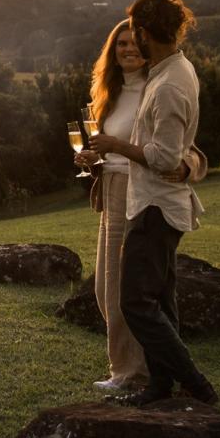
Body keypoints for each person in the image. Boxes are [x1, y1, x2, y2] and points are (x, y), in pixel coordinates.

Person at [89, 0, 216, 406]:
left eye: (134, 33)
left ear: (145, 32)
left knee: (135, 300)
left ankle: (194, 383)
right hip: (133, 197)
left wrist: (117, 147)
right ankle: (161, 385)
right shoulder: (165, 74)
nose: (130, 43)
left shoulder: (166, 85)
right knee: (157, 297)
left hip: (154, 204)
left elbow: (169, 156)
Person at [75, 20, 150, 391]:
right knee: (106, 291)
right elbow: (103, 146)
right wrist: (90, 160)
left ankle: (131, 374)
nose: (128, 49)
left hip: (138, 192)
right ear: (113, 50)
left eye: (135, 43)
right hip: (111, 190)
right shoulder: (112, 92)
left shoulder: (155, 91)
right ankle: (125, 367)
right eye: (121, 43)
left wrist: (113, 150)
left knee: (124, 289)